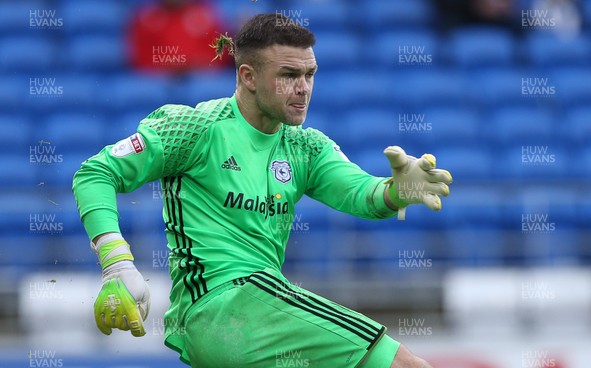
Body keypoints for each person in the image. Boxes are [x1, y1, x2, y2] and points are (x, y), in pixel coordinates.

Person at [73, 13, 452, 368]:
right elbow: (95, 173)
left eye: (310, 74)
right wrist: (117, 263)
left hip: (246, 324)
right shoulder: (195, 128)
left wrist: (397, 190)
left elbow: (359, 193)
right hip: (222, 303)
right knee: (403, 363)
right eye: (288, 75)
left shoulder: (305, 147)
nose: (302, 88)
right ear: (248, 76)